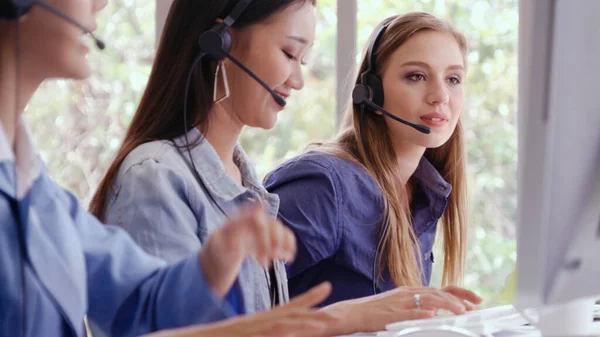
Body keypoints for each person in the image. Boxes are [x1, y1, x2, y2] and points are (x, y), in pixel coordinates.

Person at [90, 1, 482, 335]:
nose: (297, 79)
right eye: (289, 54)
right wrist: (342, 317)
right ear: (220, 42)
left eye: (303, 59)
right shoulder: (156, 177)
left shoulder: (246, 187)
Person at [0, 0, 341, 336]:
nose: (101, 3)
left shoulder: (36, 190)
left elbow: (141, 301)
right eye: (289, 54)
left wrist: (214, 263)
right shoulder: (154, 174)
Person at [264, 11, 471, 306]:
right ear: (371, 92)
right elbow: (234, 308)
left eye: (453, 79)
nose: (440, 96)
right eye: (416, 76)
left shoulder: (424, 195)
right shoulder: (324, 186)